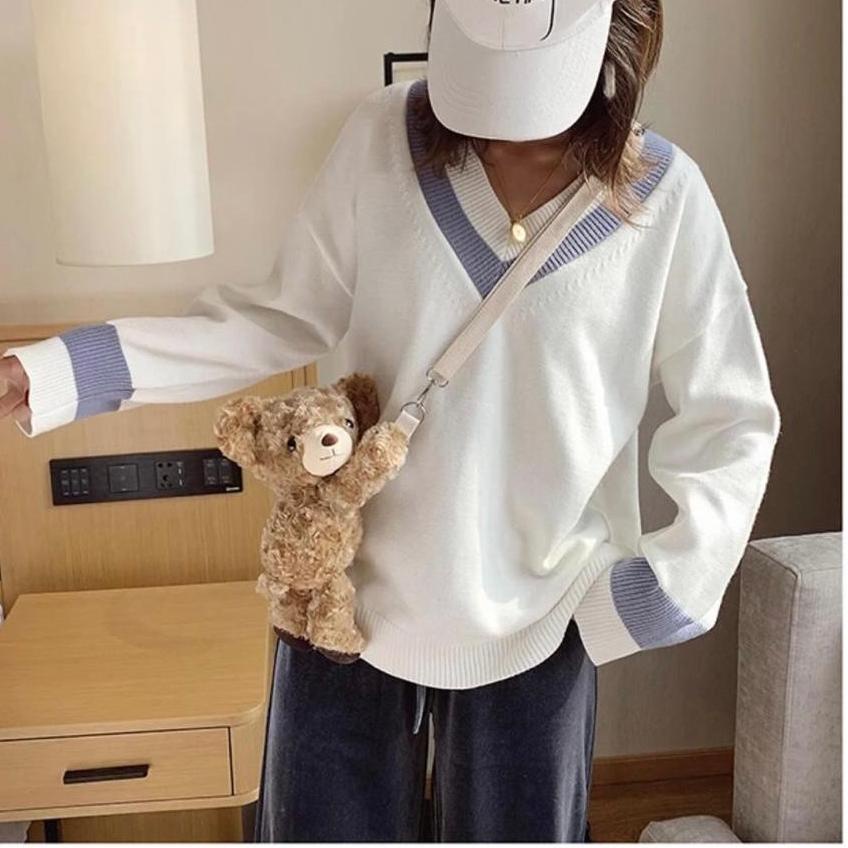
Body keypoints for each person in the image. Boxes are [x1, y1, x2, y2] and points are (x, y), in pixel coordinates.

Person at [0, 0, 781, 841]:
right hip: (342, 600)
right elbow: (278, 317)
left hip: (540, 619)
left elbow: (731, 413)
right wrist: (62, 370)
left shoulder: (663, 197)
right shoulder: (382, 136)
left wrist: (670, 585)